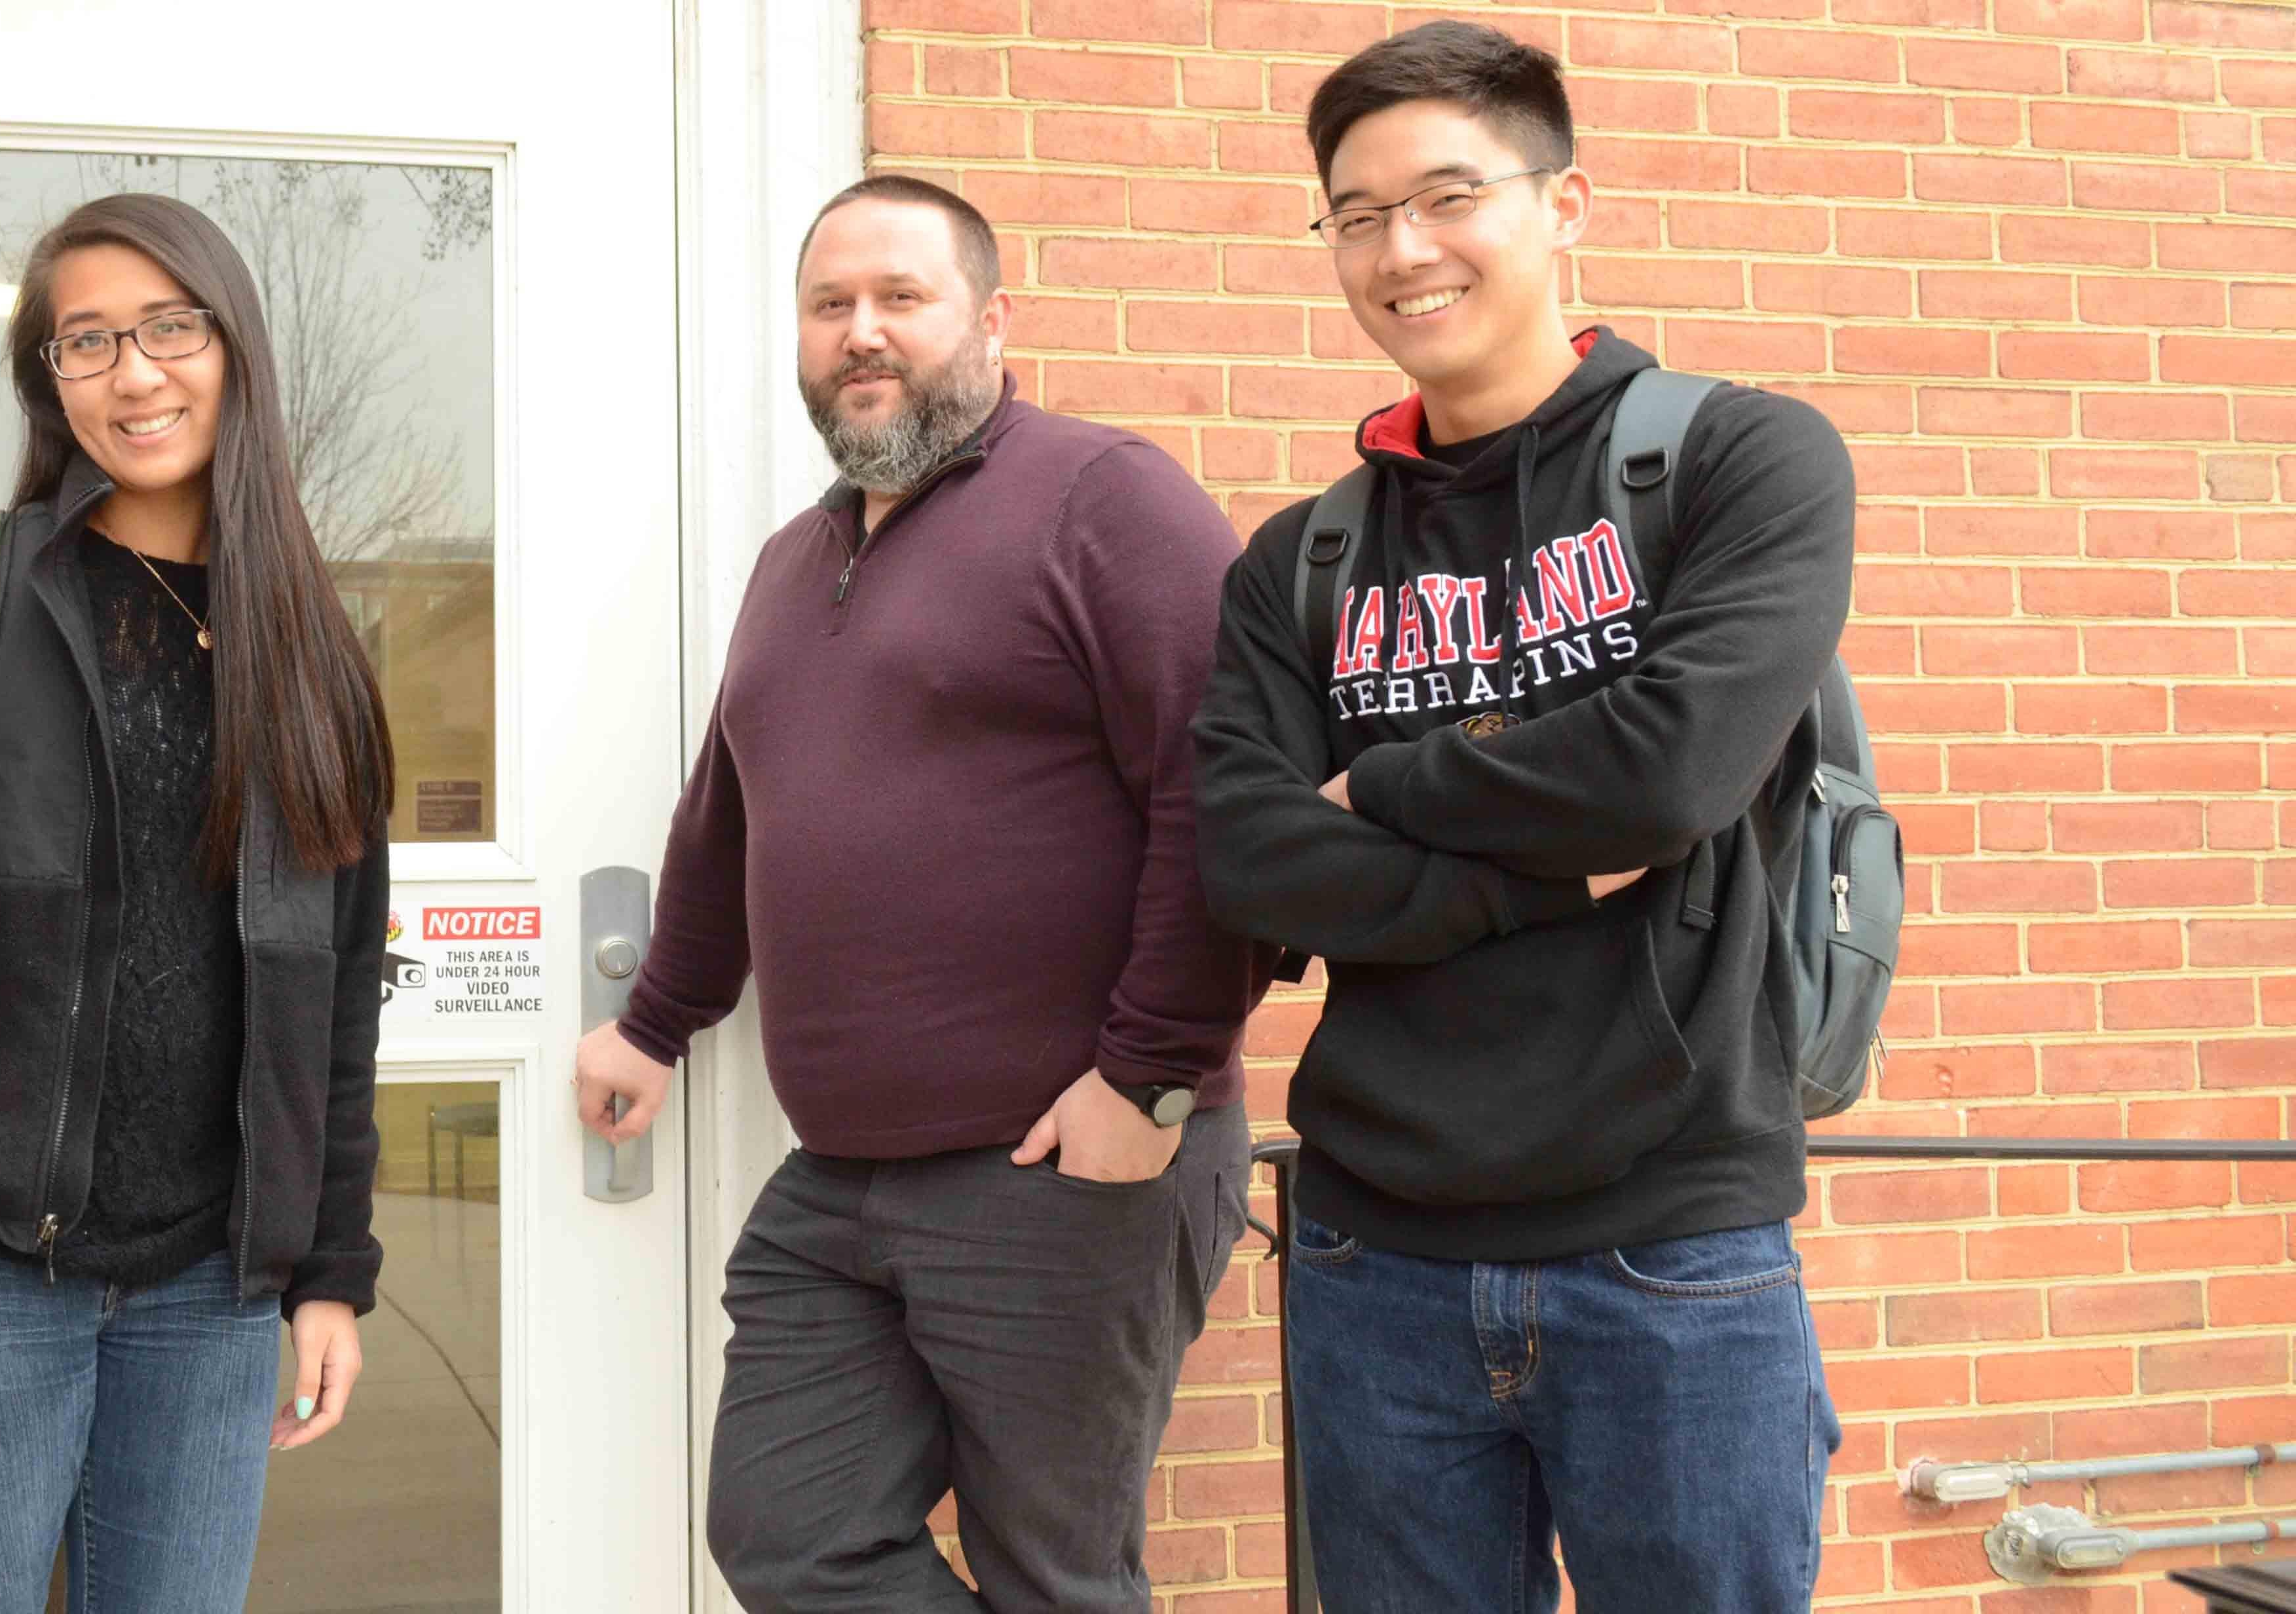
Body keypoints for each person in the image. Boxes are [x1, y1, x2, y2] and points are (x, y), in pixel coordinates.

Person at [1189, 22, 1854, 1612]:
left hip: (1673, 1253)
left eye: (1445, 195)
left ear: (1562, 205)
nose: (1399, 248)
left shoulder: (1743, 461)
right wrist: (1555, 869)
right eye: (1354, 214)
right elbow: (1251, 857)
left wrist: (1390, 786)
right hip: (1373, 1262)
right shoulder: (1300, 563)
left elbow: (1670, 773)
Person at [571, 174, 1267, 1614]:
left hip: (1062, 1168)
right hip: (842, 1177)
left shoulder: (1103, 497)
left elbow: (1229, 797)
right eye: (830, 307)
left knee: (1053, 1575)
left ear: (993, 320)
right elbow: (727, 819)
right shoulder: (794, 557)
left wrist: (1147, 1081)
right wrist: (653, 1020)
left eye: (901, 297)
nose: (861, 333)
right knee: (787, 1531)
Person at [0, 191, 392, 1613]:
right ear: (47, 379)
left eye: (172, 327)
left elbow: (336, 983)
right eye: (83, 341)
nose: (134, 373)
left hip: (209, 1283)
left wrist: (328, 1263)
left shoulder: (309, 656)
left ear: (236, 350)